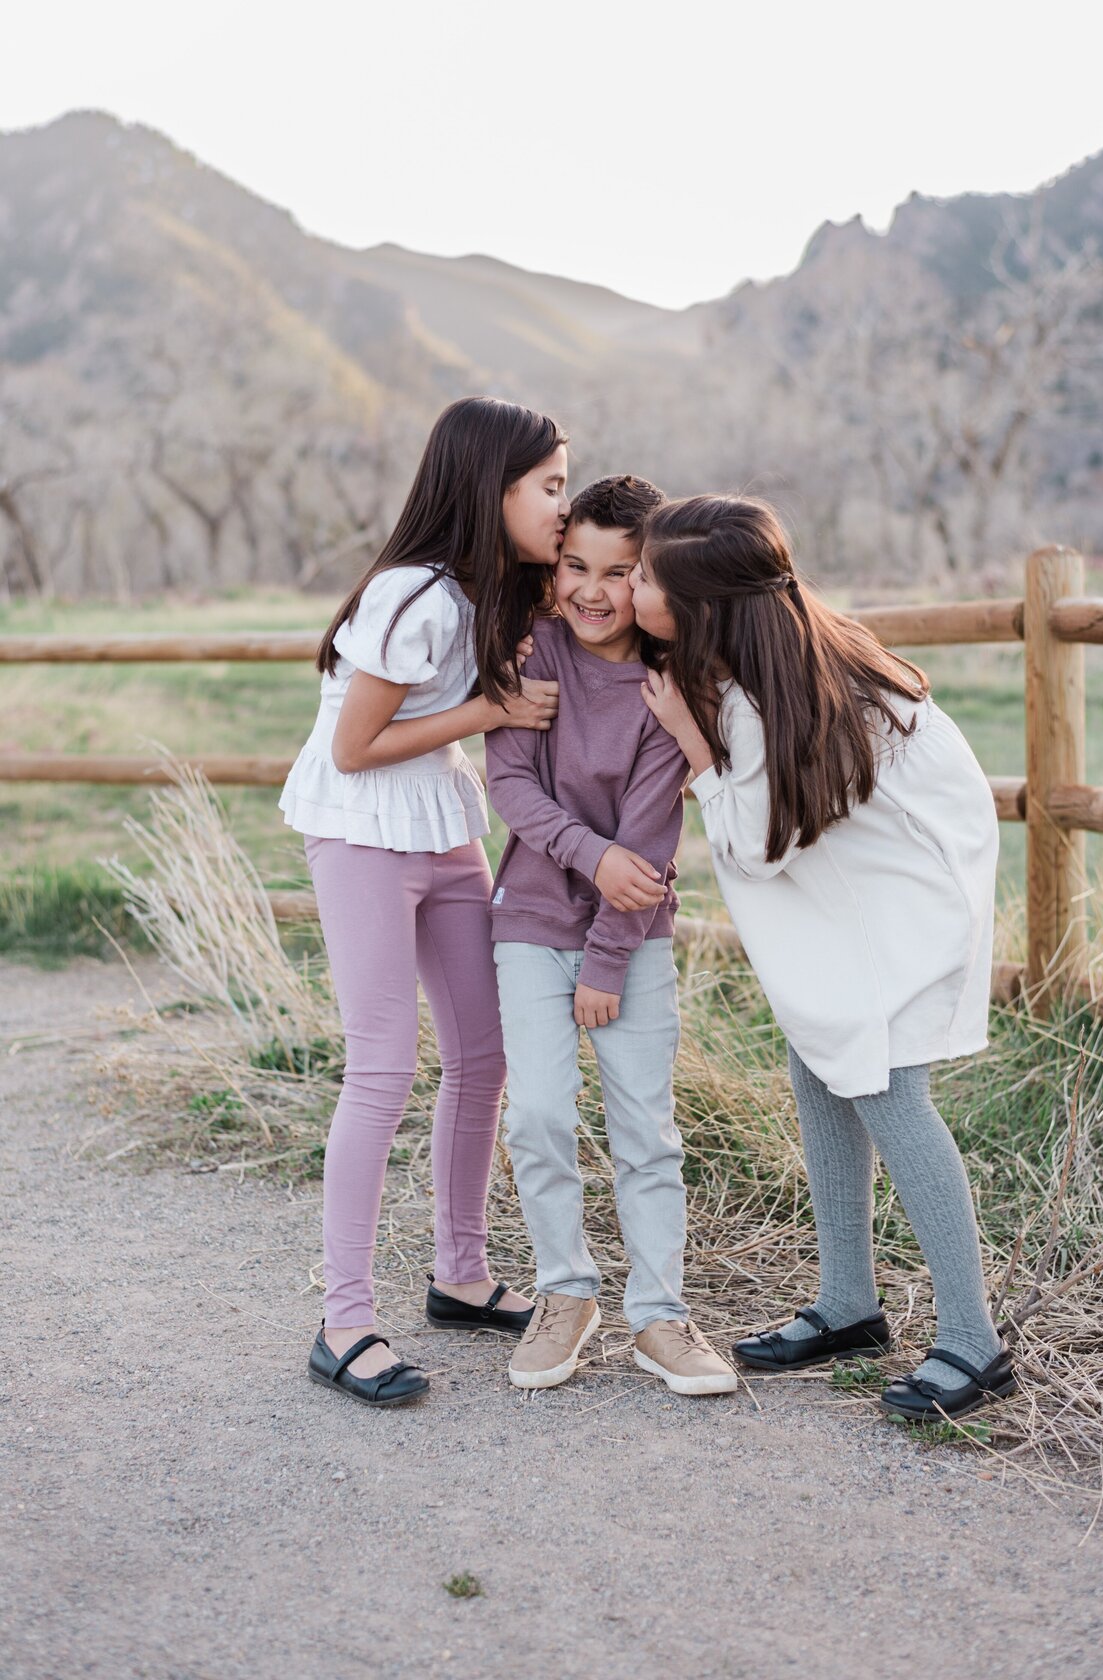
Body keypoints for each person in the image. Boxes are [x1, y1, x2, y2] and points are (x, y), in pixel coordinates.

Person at [633, 494, 1015, 1422]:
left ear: (702, 607)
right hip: (868, 885)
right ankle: (849, 1305)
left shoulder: (779, 693)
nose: (632, 586)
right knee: (820, 1060)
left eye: (644, 576)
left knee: (887, 1089)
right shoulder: (768, 654)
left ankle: (975, 1340)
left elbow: (760, 847)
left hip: (909, 899)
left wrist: (690, 744)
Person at [279, 396, 568, 1408]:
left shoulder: (491, 591)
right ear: (489, 487)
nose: (562, 508)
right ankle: (345, 1321)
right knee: (383, 1069)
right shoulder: (411, 595)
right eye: (549, 487)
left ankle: (460, 1273)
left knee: (484, 1053)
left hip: (444, 826)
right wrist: (492, 707)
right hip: (361, 831)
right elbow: (353, 749)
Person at [485, 475, 737, 1396]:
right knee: (541, 1115)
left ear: (652, 578)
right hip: (527, 921)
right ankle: (566, 1293)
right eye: (574, 565)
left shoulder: (668, 689)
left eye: (619, 572)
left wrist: (605, 955)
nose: (592, 589)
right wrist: (585, 857)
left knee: (645, 1130)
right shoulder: (529, 650)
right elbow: (509, 785)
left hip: (632, 942)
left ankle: (660, 1317)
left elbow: (649, 846)